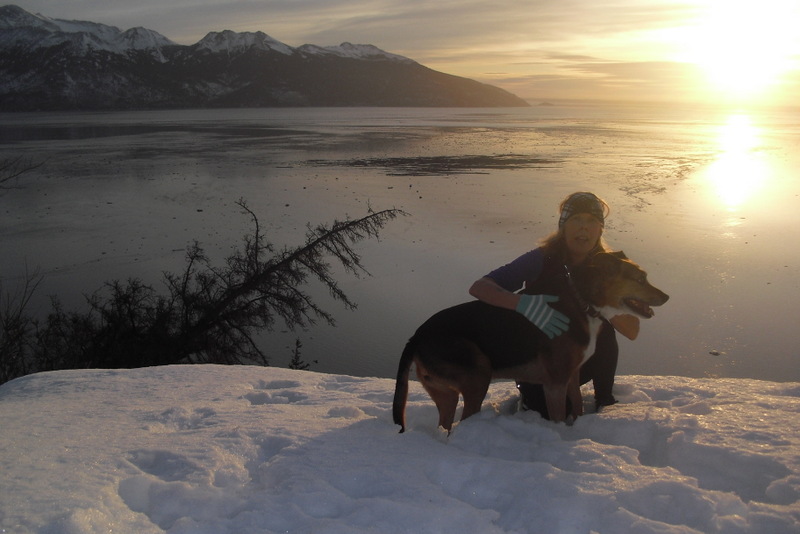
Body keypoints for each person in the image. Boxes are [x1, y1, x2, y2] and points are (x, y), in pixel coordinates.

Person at [468, 191, 618, 418]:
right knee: (547, 413)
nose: (583, 227)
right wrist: (522, 303)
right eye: (576, 219)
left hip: (577, 357)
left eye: (591, 221)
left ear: (600, 229)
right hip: (536, 360)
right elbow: (480, 287)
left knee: (604, 329)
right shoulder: (541, 259)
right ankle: (532, 397)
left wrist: (614, 303)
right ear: (563, 227)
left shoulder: (606, 266)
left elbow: (629, 326)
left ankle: (604, 398)